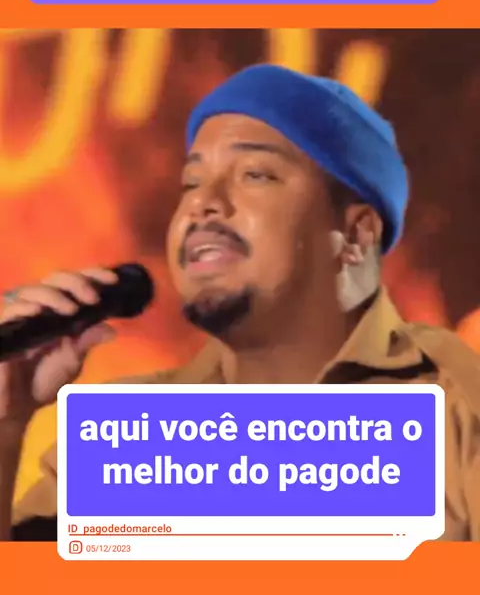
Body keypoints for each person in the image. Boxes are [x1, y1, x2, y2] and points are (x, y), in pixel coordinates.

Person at [1, 64, 480, 542]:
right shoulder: (132, 434)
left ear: (355, 234)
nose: (201, 203)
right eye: (191, 182)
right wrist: (6, 424)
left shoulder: (455, 409)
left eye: (255, 174)